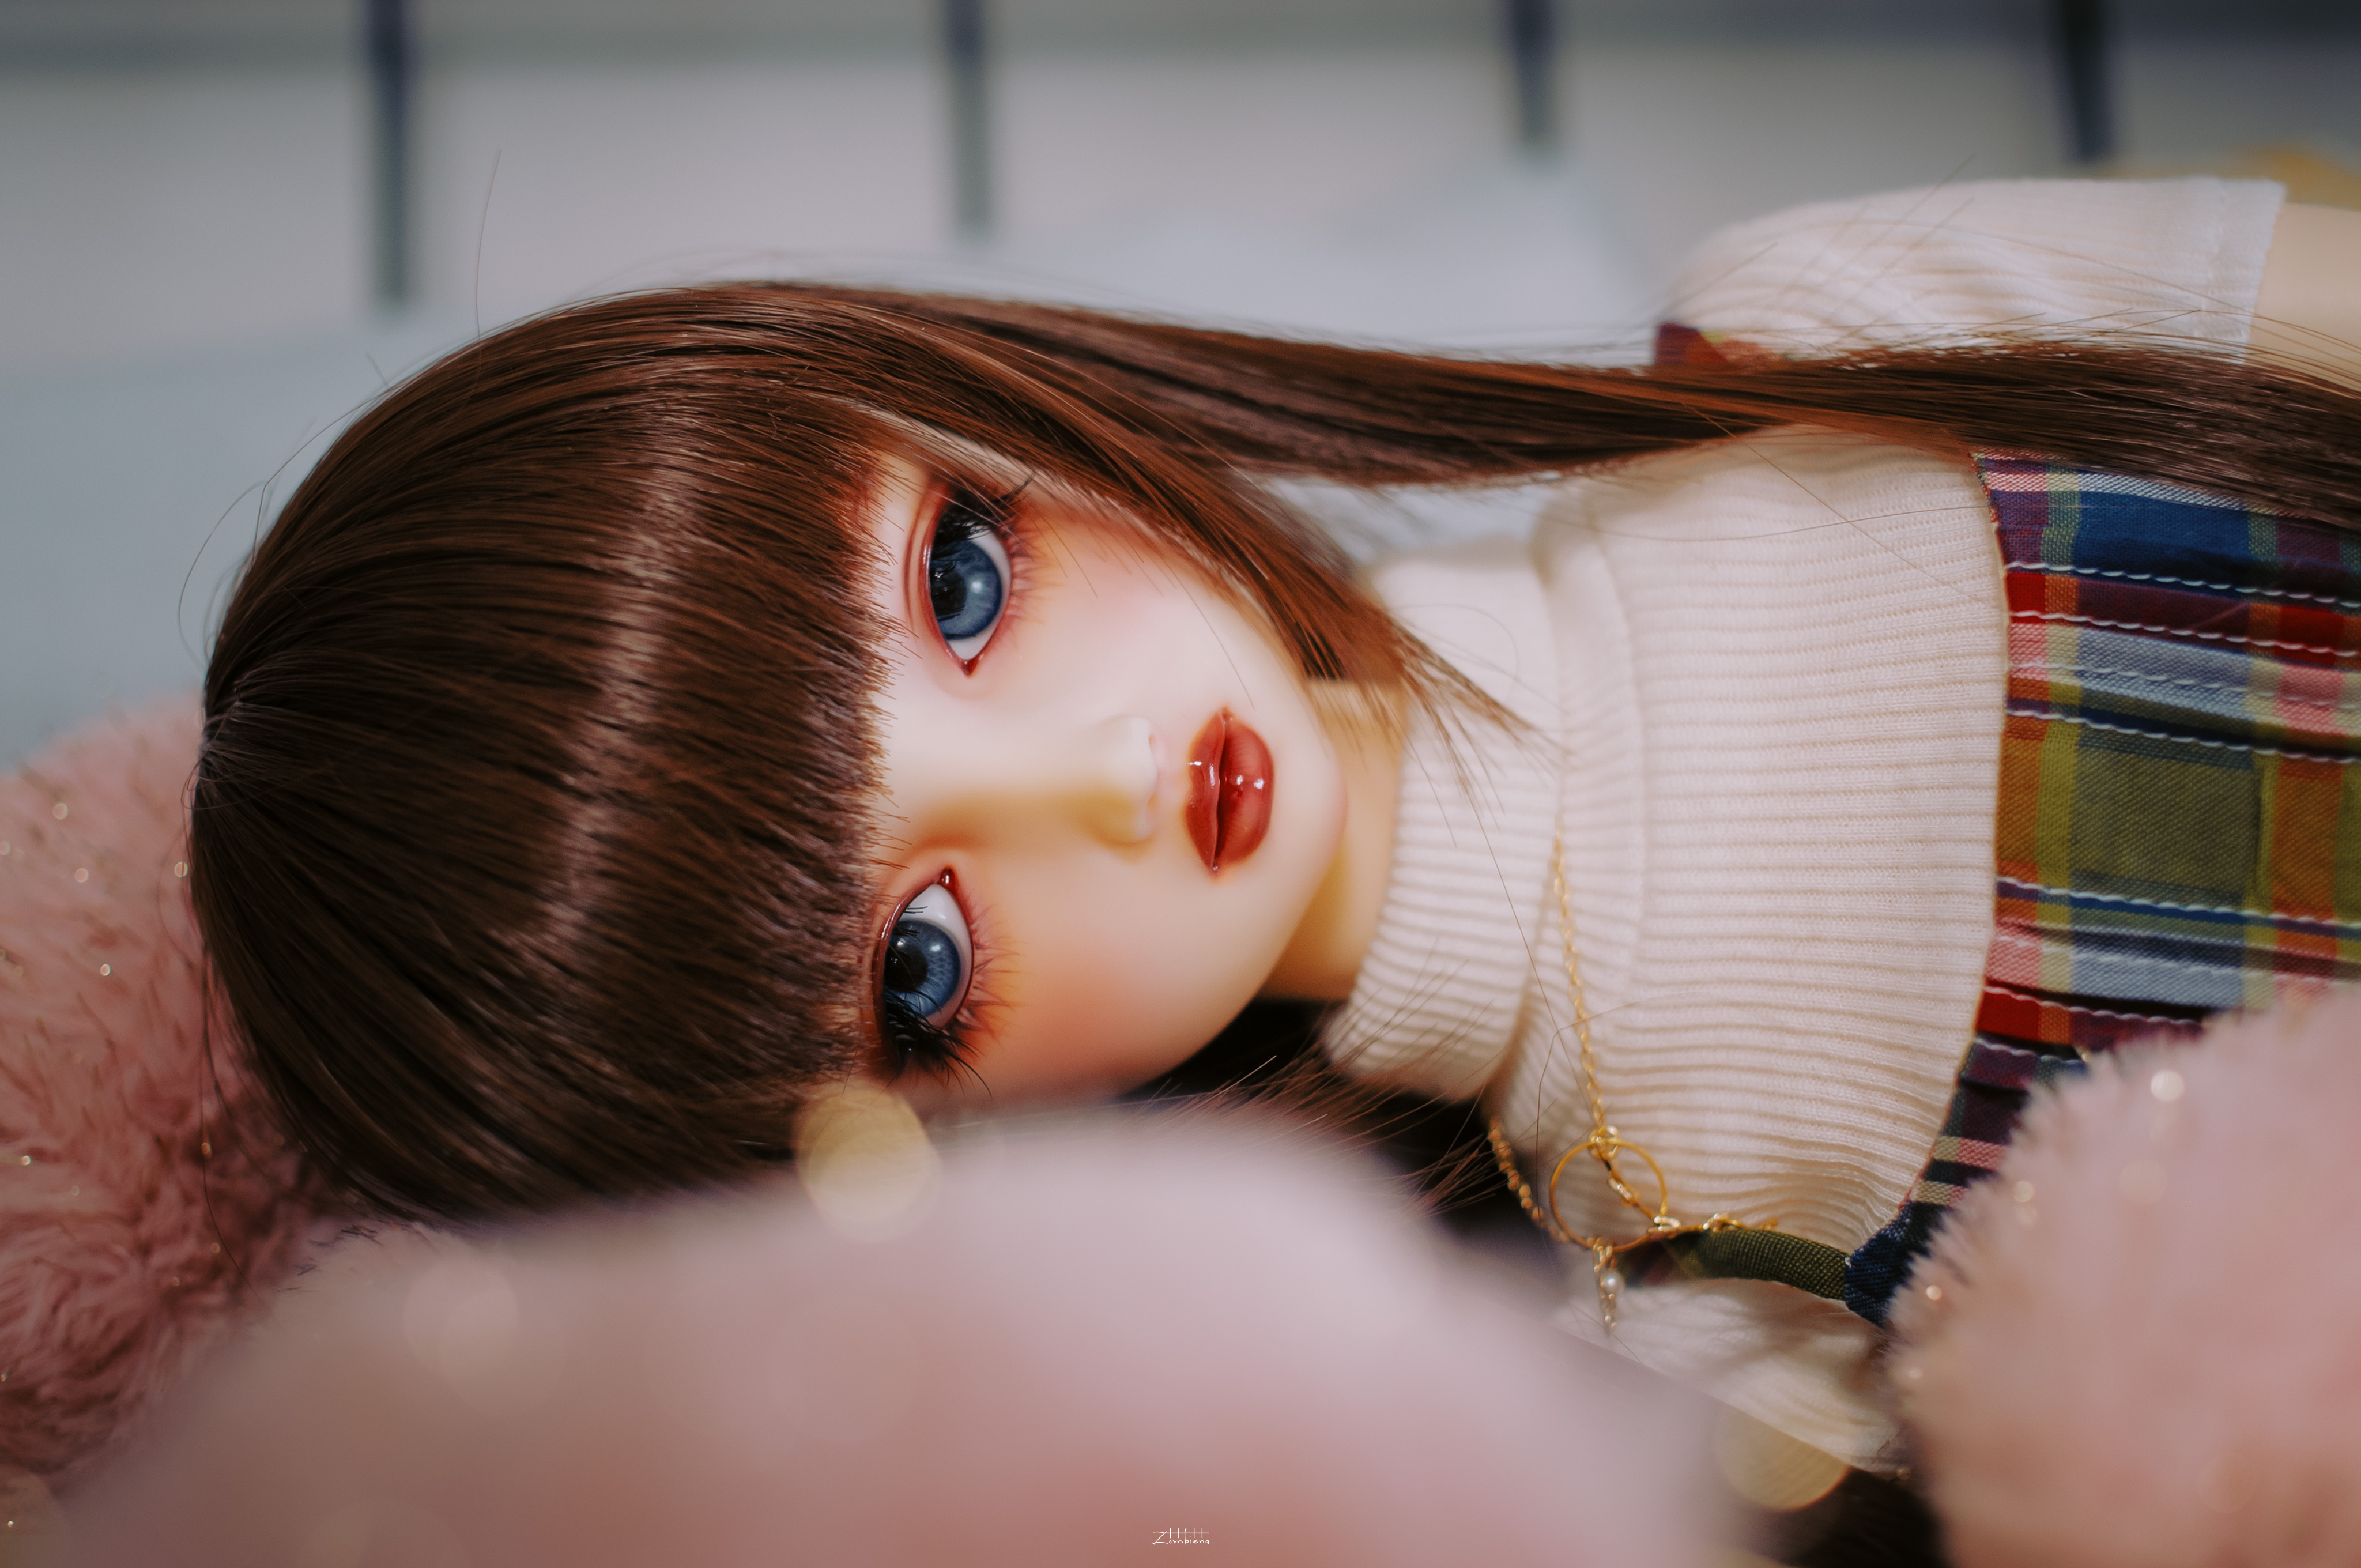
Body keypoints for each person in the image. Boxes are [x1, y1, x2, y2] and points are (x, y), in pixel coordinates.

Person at [190, 176, 2361, 1467]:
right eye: (921, 967)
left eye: (966, 581)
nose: (1095, 782)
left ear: (949, 389)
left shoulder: (1801, 354)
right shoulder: (1668, 1297)